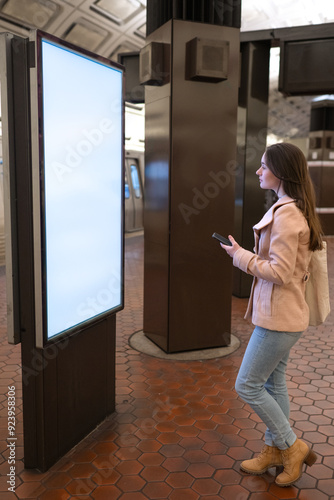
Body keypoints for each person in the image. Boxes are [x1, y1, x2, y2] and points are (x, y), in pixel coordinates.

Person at [221, 142, 323, 487]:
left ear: (280, 171)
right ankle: (273, 450)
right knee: (274, 383)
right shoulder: (293, 210)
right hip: (284, 315)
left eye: (263, 166)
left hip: (279, 319)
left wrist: (239, 256)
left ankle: (291, 447)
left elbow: (279, 273)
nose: (258, 170)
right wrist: (245, 254)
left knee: (247, 385)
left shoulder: (288, 215)